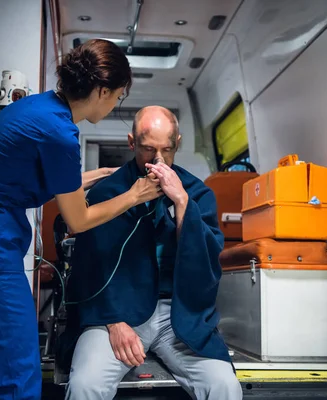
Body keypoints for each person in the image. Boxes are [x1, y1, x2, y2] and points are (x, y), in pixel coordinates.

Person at [0, 39, 162, 400]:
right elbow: (78, 219)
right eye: (117, 96)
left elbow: (23, 182)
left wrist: (90, 177)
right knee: (19, 381)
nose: (113, 104)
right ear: (102, 90)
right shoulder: (60, 133)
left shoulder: (40, 107)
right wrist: (134, 194)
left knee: (12, 373)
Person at [59, 106, 243, 400]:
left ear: (178, 143)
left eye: (166, 150)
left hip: (179, 314)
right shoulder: (109, 192)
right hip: (118, 313)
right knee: (86, 385)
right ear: (132, 143)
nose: (158, 159)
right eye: (147, 149)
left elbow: (208, 264)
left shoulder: (197, 193)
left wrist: (182, 203)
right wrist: (113, 321)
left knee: (224, 386)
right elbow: (88, 268)